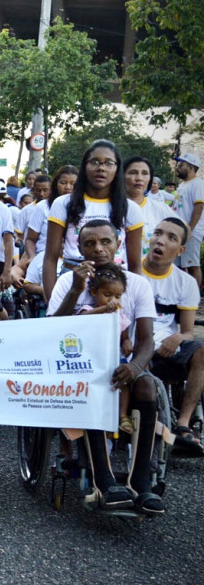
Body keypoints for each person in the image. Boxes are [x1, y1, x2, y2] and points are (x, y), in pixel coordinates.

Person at [47, 220, 163, 515]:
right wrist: (76, 290)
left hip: (122, 365)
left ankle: (141, 482)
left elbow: (147, 338)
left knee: (148, 386)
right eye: (89, 244)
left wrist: (136, 366)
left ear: (118, 244)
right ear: (79, 247)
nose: (98, 249)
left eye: (105, 242)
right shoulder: (67, 281)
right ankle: (104, 480)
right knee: (93, 387)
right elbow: (50, 332)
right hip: (78, 368)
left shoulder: (137, 284)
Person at [43, 140, 143, 301]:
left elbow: (135, 264)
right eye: (95, 162)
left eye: (109, 163)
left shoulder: (130, 208)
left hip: (115, 285)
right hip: (72, 280)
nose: (101, 168)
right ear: (85, 166)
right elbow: (50, 257)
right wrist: (51, 299)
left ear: (117, 168)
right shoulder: (63, 203)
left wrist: (132, 299)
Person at [141, 217, 204, 454]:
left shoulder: (186, 283)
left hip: (168, 344)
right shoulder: (131, 271)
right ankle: (145, 420)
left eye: (171, 238)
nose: (161, 241)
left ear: (181, 250)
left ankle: (183, 424)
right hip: (137, 342)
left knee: (201, 351)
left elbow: (187, 330)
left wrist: (177, 338)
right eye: (158, 233)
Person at [76, 262, 133, 434]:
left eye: (117, 296)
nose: (113, 300)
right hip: (93, 357)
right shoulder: (89, 309)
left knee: (123, 382)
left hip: (114, 357)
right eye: (107, 295)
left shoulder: (120, 316)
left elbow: (124, 334)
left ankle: (122, 415)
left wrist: (127, 342)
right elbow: (82, 318)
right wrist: (102, 309)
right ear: (94, 292)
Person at [123, 156, 174, 258]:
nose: (139, 178)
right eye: (133, 172)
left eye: (145, 173)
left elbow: (185, 232)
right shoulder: (108, 207)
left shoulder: (160, 208)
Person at [171, 152, 204, 288]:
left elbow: (199, 206)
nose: (177, 167)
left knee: (192, 265)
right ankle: (182, 295)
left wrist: (189, 229)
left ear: (191, 167)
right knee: (178, 266)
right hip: (179, 232)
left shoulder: (197, 184)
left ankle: (194, 298)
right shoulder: (183, 184)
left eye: (181, 165)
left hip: (191, 232)